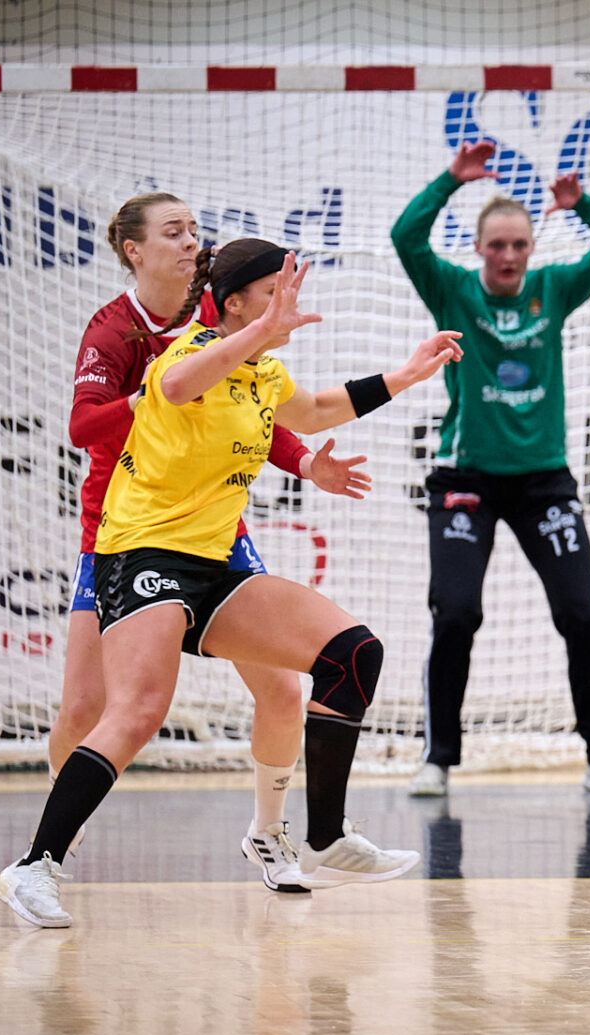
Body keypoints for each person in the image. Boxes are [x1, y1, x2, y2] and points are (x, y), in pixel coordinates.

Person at [0, 240, 462, 928]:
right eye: (273, 294)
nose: (287, 305)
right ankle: (34, 866)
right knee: (137, 711)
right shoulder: (187, 354)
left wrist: (406, 374)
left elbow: (314, 410)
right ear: (234, 304)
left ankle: (324, 839)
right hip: (141, 551)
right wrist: (259, 330)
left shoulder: (263, 371)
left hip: (216, 562)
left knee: (353, 653)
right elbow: (176, 390)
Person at [60, 193, 373, 895]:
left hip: (214, 526)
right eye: (174, 232)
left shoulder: (216, 313)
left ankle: (269, 834)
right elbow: (83, 427)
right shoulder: (114, 331)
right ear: (134, 251)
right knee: (87, 709)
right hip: (125, 528)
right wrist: (150, 398)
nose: (190, 243)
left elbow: (260, 406)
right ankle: (52, 845)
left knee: (283, 689)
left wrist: (304, 463)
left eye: (195, 231)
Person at [392, 141, 590, 797]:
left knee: (583, 613)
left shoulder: (552, 289)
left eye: (518, 245)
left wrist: (582, 205)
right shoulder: (452, 289)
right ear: (478, 248)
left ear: (532, 248)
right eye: (497, 245)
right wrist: (451, 180)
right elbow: (406, 237)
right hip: (466, 479)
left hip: (542, 482)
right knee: (456, 613)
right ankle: (437, 759)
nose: (507, 256)